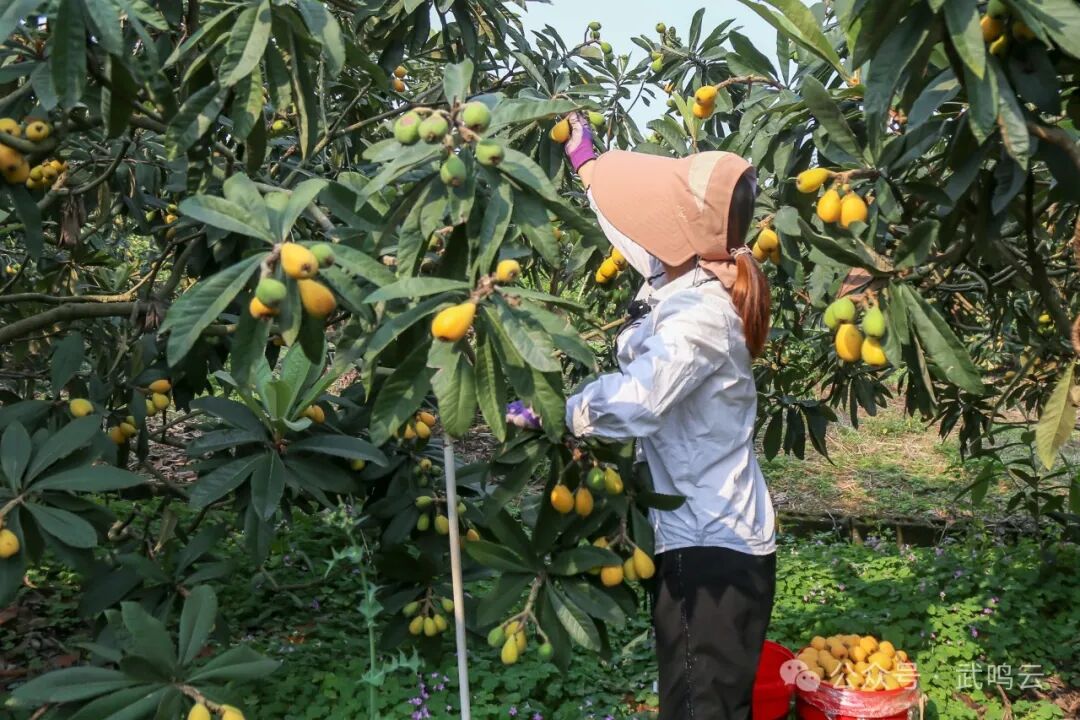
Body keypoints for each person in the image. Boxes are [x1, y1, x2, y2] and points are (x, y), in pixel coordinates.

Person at [560, 113, 777, 720]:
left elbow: (641, 400)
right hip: (712, 539)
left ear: (682, 234)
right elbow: (635, 236)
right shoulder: (690, 271)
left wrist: (563, 412)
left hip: (712, 558)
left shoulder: (699, 318)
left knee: (696, 709)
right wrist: (588, 170)